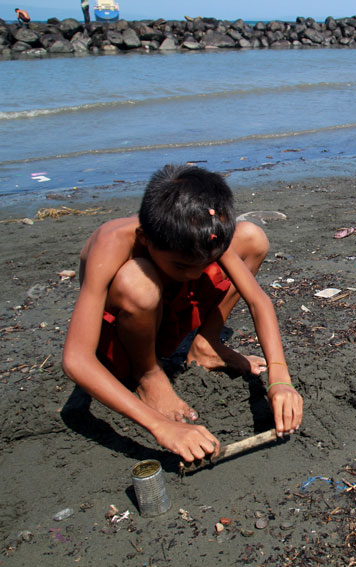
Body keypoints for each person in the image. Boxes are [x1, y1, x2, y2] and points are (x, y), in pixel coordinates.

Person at [62, 164, 302, 462]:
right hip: (126, 338)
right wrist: (160, 426)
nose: (196, 274)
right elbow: (76, 360)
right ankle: (148, 374)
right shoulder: (112, 242)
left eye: (205, 264)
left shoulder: (201, 231)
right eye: (182, 266)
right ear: (145, 238)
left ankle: (206, 345)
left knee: (252, 237)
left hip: (169, 313)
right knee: (137, 281)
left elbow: (258, 300)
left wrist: (280, 379)